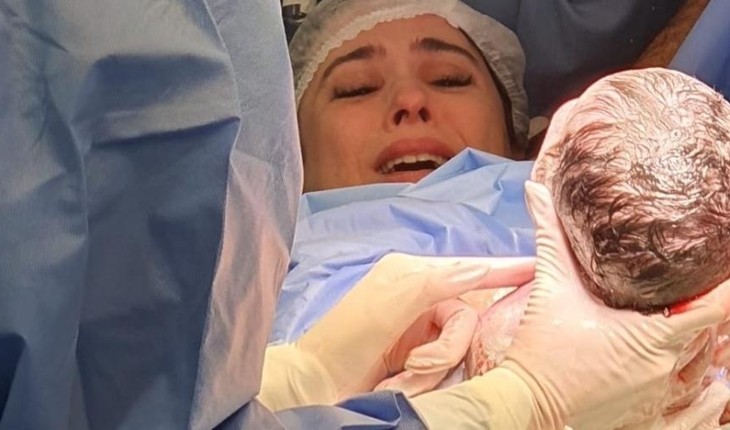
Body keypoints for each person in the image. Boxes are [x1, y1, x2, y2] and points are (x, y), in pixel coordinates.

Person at [2, 2, 730, 430]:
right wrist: (516, 405)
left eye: (450, 77)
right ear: (277, 154)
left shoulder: (611, 178)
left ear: (523, 135)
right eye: (353, 88)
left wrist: (301, 378)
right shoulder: (215, 274)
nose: (410, 102)